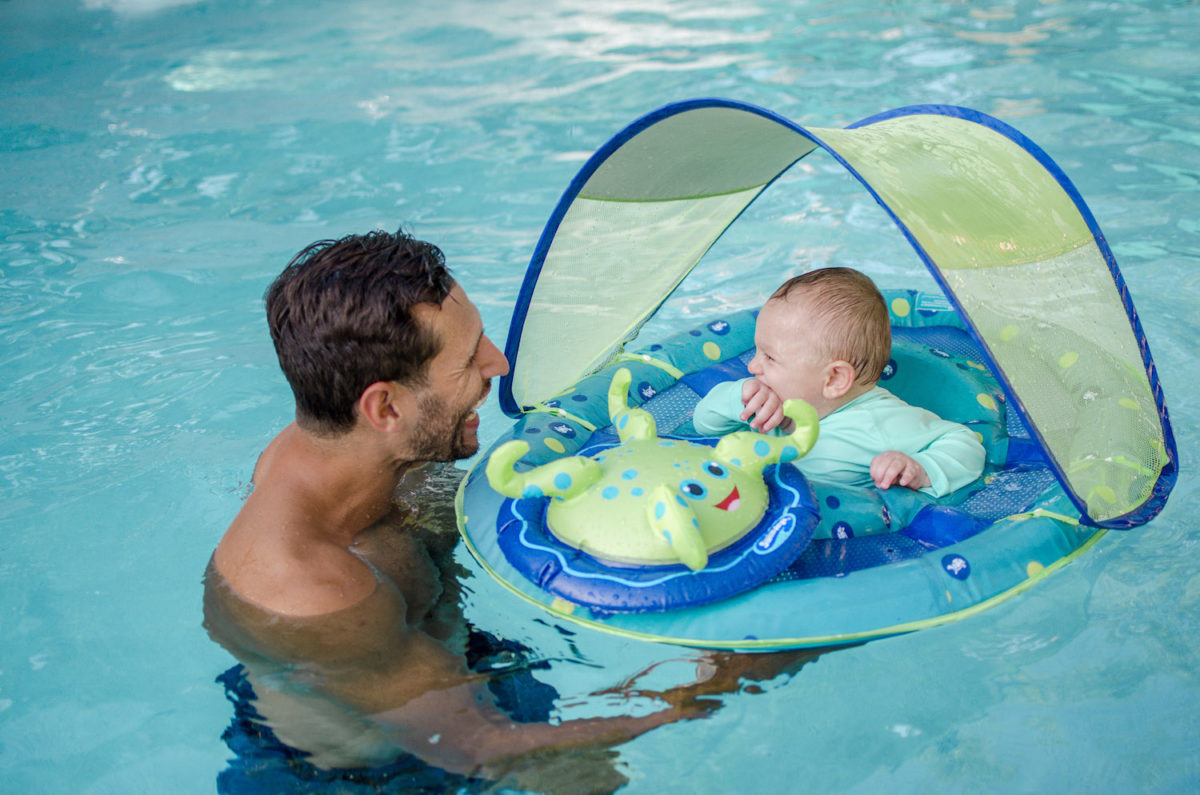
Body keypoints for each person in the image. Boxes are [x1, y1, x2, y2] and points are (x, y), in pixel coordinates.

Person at [203, 228, 816, 791]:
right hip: (379, 772)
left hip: (423, 664)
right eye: (469, 358)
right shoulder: (316, 594)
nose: (498, 364)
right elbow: (482, 749)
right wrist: (722, 676)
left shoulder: (338, 451)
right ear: (384, 409)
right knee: (595, 778)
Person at [692, 267, 985, 498]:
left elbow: (965, 444)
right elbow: (703, 424)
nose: (752, 366)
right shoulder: (762, 399)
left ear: (833, 379)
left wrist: (919, 468)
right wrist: (736, 398)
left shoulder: (877, 423)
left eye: (769, 357)